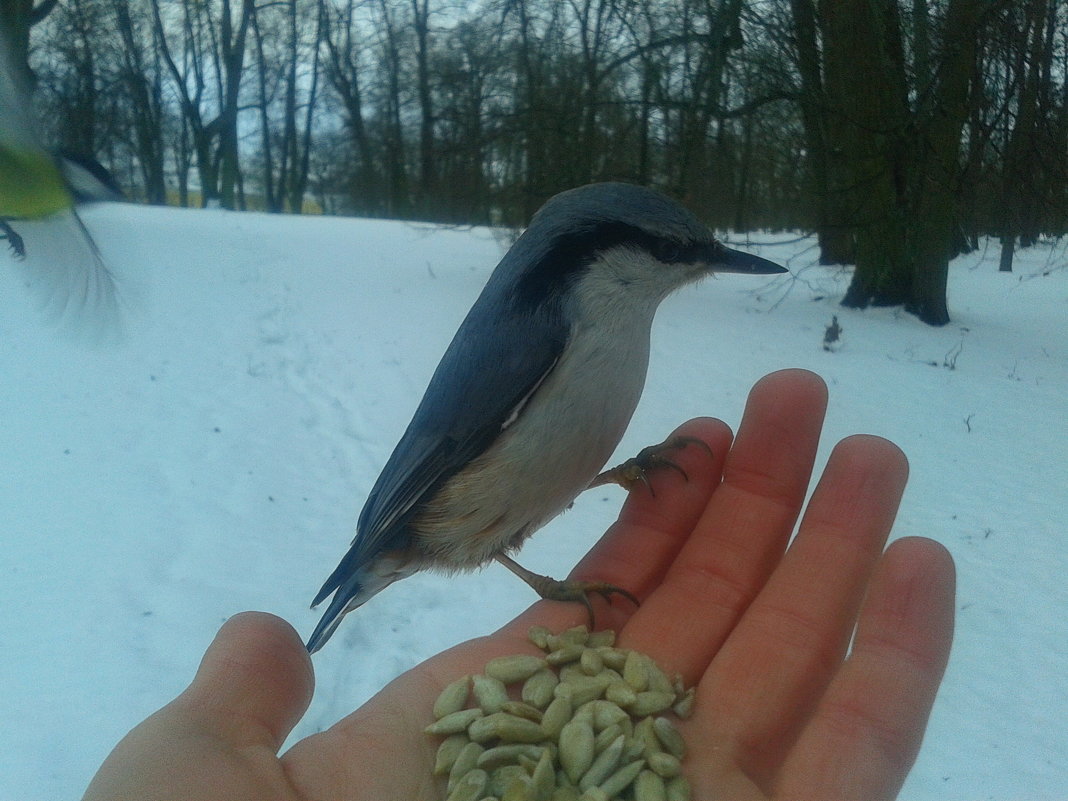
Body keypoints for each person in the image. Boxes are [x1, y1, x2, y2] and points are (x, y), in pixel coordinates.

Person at [82, 370, 955, 800]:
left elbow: (534, 469)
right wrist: (542, 578)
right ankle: (531, 563)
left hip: (485, 508)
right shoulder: (531, 338)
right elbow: (474, 489)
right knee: (493, 524)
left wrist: (615, 474)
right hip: (436, 522)